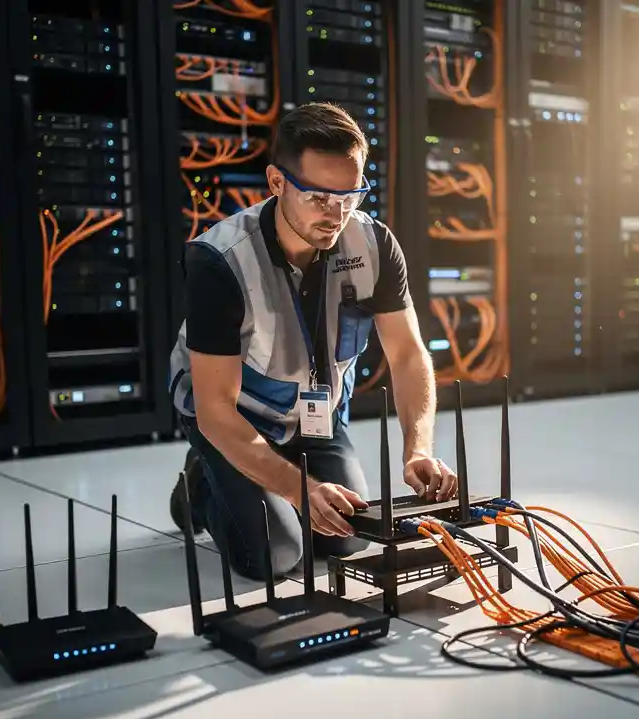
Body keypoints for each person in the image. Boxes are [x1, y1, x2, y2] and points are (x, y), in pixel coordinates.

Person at [168, 102, 458, 581]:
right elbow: (215, 409)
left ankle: (266, 476)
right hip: (231, 417)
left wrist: (418, 449)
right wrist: (300, 490)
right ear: (277, 183)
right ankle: (202, 483)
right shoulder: (219, 261)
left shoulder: (375, 245)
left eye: (351, 195)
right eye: (319, 197)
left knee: (346, 536)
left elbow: (408, 356)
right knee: (273, 558)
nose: (336, 213)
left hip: (312, 418)